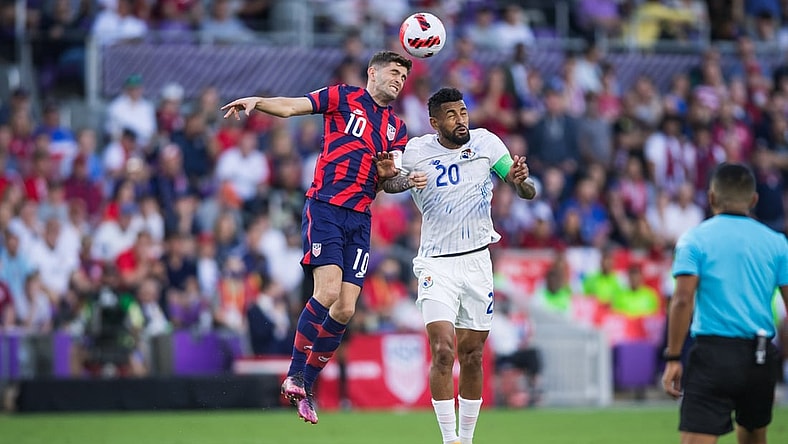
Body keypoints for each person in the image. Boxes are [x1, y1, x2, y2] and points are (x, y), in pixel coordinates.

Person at [221, 50, 420, 424]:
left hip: (360, 219)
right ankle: (295, 373)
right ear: (372, 73)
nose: (398, 80)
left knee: (345, 308)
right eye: (393, 72)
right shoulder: (343, 97)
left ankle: (305, 385)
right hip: (326, 206)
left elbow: (389, 182)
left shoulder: (397, 128)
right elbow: (294, 107)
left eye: (403, 77)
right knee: (326, 293)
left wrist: (404, 178)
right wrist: (258, 102)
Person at [387, 87, 536, 444]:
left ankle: (467, 439)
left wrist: (520, 181)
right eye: (451, 116)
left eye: (463, 112)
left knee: (471, 354)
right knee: (443, 349)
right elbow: (386, 182)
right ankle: (449, 439)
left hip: (477, 262)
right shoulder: (416, 150)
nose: (461, 120)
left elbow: (523, 190)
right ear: (435, 122)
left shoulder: (486, 143)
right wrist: (406, 180)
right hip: (436, 264)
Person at [662, 163, 788, 444]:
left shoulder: (694, 239)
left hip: (713, 354)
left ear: (711, 197)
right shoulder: (777, 243)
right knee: (754, 437)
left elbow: (682, 300)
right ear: (754, 200)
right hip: (760, 356)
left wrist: (673, 358)